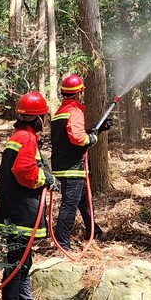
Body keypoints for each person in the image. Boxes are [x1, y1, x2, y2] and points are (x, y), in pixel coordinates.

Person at [0, 92, 57, 300]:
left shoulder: (19, 137)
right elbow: (23, 171)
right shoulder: (27, 139)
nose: (45, 122)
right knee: (18, 261)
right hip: (21, 210)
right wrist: (45, 178)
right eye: (43, 117)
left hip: (14, 208)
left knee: (22, 259)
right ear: (37, 119)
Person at [50, 73, 102, 249]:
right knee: (70, 204)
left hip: (62, 164)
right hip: (72, 167)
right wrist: (92, 139)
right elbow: (78, 138)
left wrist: (93, 131)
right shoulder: (75, 111)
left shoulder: (60, 112)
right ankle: (62, 241)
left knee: (83, 201)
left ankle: (94, 231)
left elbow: (68, 135)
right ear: (78, 93)